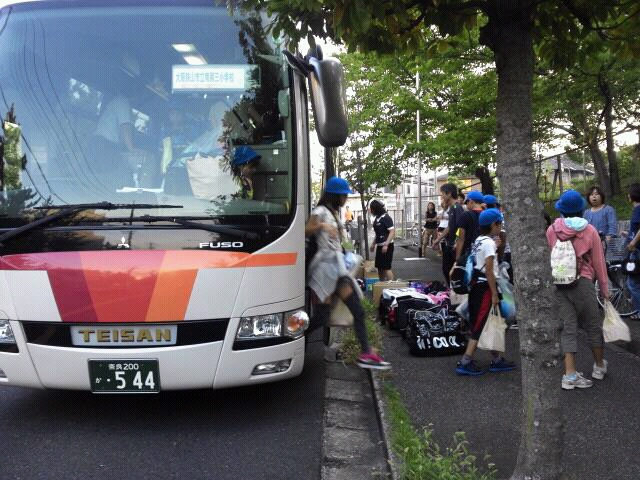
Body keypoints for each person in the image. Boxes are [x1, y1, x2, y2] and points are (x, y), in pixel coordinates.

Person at [306, 177, 390, 370]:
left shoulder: (334, 213)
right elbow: (306, 230)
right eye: (344, 195)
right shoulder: (320, 211)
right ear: (335, 195)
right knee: (322, 317)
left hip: (337, 270)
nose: (345, 198)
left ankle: (366, 353)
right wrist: (322, 226)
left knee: (357, 310)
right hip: (324, 271)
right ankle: (294, 337)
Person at [546, 190, 609, 390]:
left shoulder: (552, 230)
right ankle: (599, 367)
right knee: (592, 325)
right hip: (583, 282)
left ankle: (570, 375)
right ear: (582, 210)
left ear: (562, 210)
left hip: (559, 283)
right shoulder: (589, 230)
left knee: (568, 328)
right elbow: (599, 262)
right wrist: (605, 289)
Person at [455, 208, 516, 376]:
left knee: (492, 321)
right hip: (485, 288)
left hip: (477, 286)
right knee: (480, 324)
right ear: (493, 224)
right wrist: (494, 294)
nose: (501, 227)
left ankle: (496, 359)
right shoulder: (488, 243)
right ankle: (466, 361)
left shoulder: (479, 240)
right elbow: (489, 270)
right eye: (500, 224)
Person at [450, 190, 484, 280]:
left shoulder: (466, 215)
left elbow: (461, 238)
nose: (466, 205)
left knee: (466, 279)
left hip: (469, 253)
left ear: (471, 202)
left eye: (467, 202)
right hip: (484, 252)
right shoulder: (486, 214)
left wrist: (457, 258)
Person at [437, 183, 464, 283]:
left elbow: (461, 228)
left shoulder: (457, 208)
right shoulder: (452, 208)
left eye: (443, 194)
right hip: (449, 244)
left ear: (449, 194)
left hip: (454, 246)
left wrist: (457, 242)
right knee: (446, 269)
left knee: (450, 271)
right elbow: (450, 226)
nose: (442, 197)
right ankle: (451, 289)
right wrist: (437, 240)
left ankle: (452, 290)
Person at [369, 199, 395, 281]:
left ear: (377, 209)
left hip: (387, 246)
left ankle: (392, 286)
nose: (371, 211)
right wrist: (373, 244)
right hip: (380, 246)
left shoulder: (386, 217)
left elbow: (392, 232)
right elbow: (377, 233)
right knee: (380, 267)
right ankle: (382, 284)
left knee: (386, 268)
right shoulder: (377, 218)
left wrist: (386, 245)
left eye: (372, 209)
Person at [626, 183, 640, 320]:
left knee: (632, 283)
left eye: (629, 193)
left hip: (637, 250)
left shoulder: (639, 209)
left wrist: (633, 242)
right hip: (635, 249)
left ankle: (638, 310)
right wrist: (628, 235)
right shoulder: (636, 209)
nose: (628, 195)